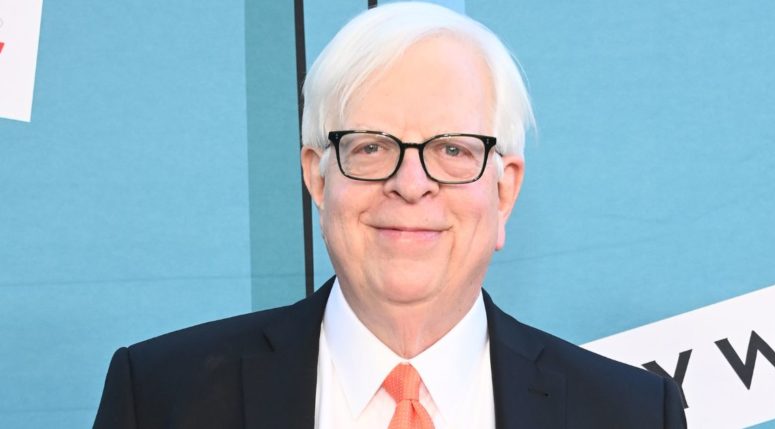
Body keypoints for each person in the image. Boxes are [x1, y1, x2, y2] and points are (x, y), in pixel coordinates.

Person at [93, 3, 686, 428]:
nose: (410, 185)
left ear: (503, 192)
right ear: (316, 176)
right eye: (371, 147)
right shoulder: (161, 397)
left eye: (453, 150)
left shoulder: (630, 414)